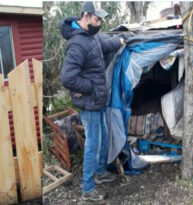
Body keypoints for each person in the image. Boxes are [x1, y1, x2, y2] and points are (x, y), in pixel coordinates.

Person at [59, 1, 125, 202]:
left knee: (103, 137)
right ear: (86, 16)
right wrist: (89, 88)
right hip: (90, 103)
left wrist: (120, 41)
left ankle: (100, 172)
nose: (99, 23)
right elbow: (68, 78)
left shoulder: (91, 35)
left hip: (98, 101)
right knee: (93, 144)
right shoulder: (77, 43)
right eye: (97, 19)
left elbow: (104, 44)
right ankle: (88, 189)